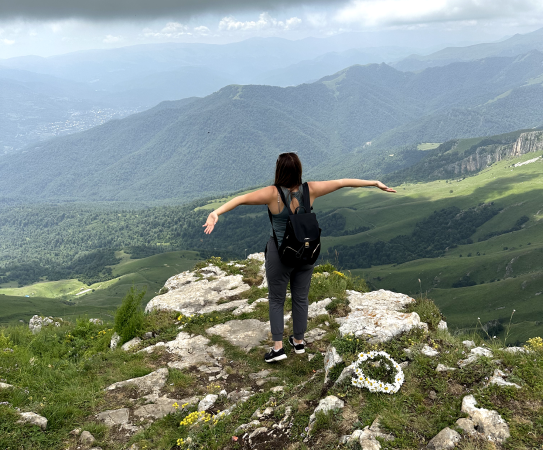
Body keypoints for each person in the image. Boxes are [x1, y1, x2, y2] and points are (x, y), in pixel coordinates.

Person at [202, 152, 396, 362]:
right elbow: (341, 183)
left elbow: (240, 200)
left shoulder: (271, 194)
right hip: (306, 251)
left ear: (279, 170)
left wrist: (216, 213)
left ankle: (278, 348)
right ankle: (299, 342)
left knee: (277, 299)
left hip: (280, 254)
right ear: (298, 170)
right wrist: (374, 183)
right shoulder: (309, 190)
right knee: (301, 297)